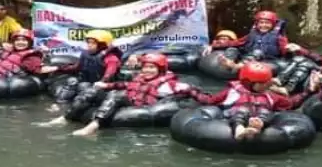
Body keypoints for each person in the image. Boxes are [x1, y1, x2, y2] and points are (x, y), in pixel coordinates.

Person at [46, 53, 207, 137]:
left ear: (161, 69)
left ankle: (94, 126)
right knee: (94, 91)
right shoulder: (140, 77)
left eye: (152, 68)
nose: (147, 70)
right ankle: (66, 117)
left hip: (142, 105)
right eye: (145, 67)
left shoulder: (169, 83)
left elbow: (191, 91)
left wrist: (208, 100)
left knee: (117, 96)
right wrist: (105, 85)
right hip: (130, 98)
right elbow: (125, 85)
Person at [199, 62, 314, 140]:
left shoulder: (270, 96)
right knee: (241, 111)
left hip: (260, 118)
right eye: (263, 83)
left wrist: (308, 91)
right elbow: (211, 100)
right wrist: (193, 93)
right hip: (234, 116)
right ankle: (239, 129)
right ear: (249, 83)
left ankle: (258, 125)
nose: (267, 85)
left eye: (267, 82)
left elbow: (291, 103)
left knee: (264, 112)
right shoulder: (233, 91)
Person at [46, 29, 123, 112]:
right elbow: (77, 67)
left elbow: (109, 74)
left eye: (93, 43)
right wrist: (57, 68)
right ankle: (59, 104)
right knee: (72, 81)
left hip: (104, 87)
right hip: (88, 81)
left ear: (102, 44)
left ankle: (73, 110)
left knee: (85, 87)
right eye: (88, 42)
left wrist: (101, 83)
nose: (89, 45)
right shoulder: (85, 54)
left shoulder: (111, 58)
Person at [210, 10, 314, 67]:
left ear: (273, 24)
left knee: (257, 52)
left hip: (268, 61)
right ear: (257, 23)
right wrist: (214, 45)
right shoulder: (252, 34)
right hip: (248, 58)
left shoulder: (279, 37)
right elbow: (236, 42)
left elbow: (284, 49)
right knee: (232, 49)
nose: (263, 25)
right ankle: (228, 64)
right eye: (261, 23)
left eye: (267, 23)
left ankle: (237, 67)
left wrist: (288, 49)